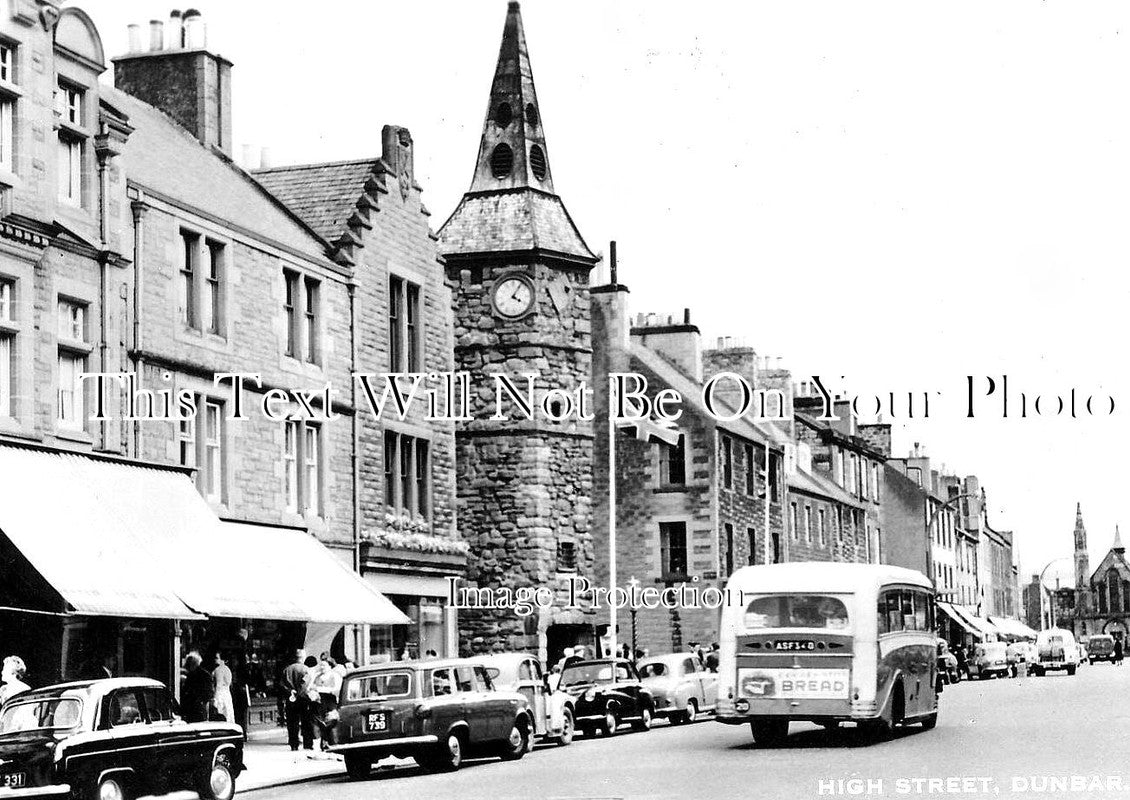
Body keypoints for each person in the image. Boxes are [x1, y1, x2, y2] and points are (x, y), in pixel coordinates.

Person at [281, 650, 313, 753]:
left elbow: (282, 685)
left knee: (292, 722)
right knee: (306, 722)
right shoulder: (306, 669)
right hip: (303, 699)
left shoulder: (286, 670)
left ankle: (293, 744)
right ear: (303, 658)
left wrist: (291, 691)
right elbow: (305, 684)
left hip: (290, 699)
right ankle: (308, 744)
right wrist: (300, 693)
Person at [180, 651, 213, 723]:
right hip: (191, 707)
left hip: (199, 707)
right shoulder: (191, 675)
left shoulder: (204, 675)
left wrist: (200, 700)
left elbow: (208, 693)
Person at [211, 651, 235, 724]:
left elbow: (219, 684)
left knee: (220, 714)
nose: (215, 660)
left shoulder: (218, 670)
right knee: (228, 714)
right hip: (227, 695)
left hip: (220, 695)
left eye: (217, 658)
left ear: (222, 659)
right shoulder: (228, 669)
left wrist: (214, 699)